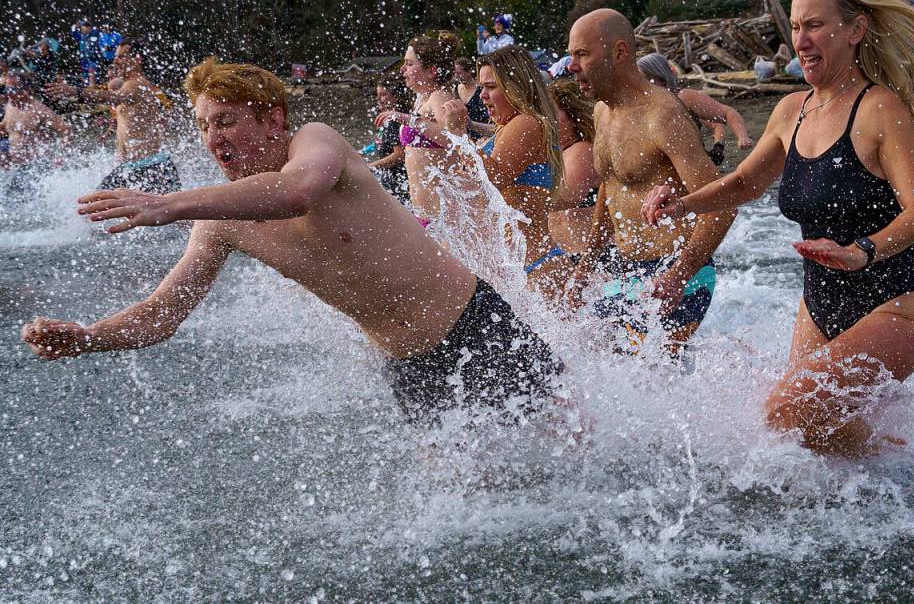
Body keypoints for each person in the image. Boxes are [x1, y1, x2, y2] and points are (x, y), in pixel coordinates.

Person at [21, 57, 561, 429]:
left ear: (272, 119)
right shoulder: (222, 221)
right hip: (408, 367)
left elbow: (298, 192)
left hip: (475, 325)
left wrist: (168, 204)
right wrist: (90, 337)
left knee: (578, 461)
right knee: (470, 508)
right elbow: (162, 313)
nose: (212, 138)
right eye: (204, 126)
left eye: (225, 121)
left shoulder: (317, 141)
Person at [642, 0, 914, 456]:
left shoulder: (880, 109)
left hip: (892, 304)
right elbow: (744, 182)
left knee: (784, 413)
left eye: (815, 26)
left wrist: (861, 251)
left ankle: (897, 464)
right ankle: (890, 465)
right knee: (803, 441)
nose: (801, 41)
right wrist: (682, 204)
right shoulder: (791, 110)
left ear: (855, 30)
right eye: (797, 27)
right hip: (819, 303)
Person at [565, 9, 735, 350]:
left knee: (650, 372)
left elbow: (722, 205)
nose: (571, 66)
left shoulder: (664, 116)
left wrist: (677, 276)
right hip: (626, 270)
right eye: (571, 55)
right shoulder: (602, 112)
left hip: (679, 272)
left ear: (619, 52)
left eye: (582, 54)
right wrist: (585, 266)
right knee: (591, 361)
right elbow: (610, 191)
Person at [437, 45, 573, 297]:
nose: (482, 96)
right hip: (522, 266)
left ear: (515, 86)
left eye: (491, 87)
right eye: (482, 87)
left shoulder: (527, 122)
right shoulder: (508, 126)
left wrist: (458, 133)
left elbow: (494, 177)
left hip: (536, 266)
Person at [47, 40, 180, 194]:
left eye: (122, 57)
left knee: (96, 202)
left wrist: (75, 91)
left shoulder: (136, 84)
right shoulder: (127, 84)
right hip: (133, 167)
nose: (115, 61)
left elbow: (113, 97)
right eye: (115, 57)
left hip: (151, 168)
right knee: (97, 203)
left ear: (137, 59)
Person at [374, 31, 463, 220]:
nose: (402, 69)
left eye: (409, 63)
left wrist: (410, 120)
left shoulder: (439, 97)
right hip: (422, 212)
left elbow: (454, 141)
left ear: (431, 71)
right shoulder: (421, 100)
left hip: (441, 216)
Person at [636, 52, 754, 165]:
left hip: (696, 165)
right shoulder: (641, 106)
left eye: (646, 79)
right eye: (639, 81)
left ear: (661, 78)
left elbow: (726, 114)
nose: (641, 86)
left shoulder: (684, 98)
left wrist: (735, 140)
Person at [546, 77, 599, 254]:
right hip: (568, 255)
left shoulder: (582, 150)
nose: (546, 120)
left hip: (585, 256)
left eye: (551, 113)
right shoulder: (559, 153)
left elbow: (565, 198)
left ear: (573, 114)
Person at [1, 68, 70, 170]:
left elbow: (66, 130)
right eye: (7, 90)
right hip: (14, 160)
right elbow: (4, 127)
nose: (8, 94)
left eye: (13, 90)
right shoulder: (10, 106)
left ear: (26, 90)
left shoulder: (39, 110)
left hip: (35, 165)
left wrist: (62, 155)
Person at [364, 75, 410, 202]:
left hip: (400, 182)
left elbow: (400, 154)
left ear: (396, 96)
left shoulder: (396, 120)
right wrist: (362, 152)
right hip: (394, 180)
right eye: (377, 95)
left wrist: (370, 167)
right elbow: (381, 142)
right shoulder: (390, 119)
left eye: (383, 94)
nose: (378, 99)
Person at [453, 57, 492, 139]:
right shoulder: (456, 89)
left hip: (485, 133)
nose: (456, 76)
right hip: (467, 137)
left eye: (459, 73)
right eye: (455, 73)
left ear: (469, 72)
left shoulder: (481, 89)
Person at [71, 19, 102, 86]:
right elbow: (74, 34)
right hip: (84, 59)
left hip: (92, 60)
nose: (82, 30)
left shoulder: (95, 35)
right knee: (85, 76)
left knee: (92, 76)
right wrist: (75, 26)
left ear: (89, 28)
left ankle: (93, 87)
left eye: (84, 29)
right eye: (82, 29)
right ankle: (86, 86)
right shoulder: (82, 36)